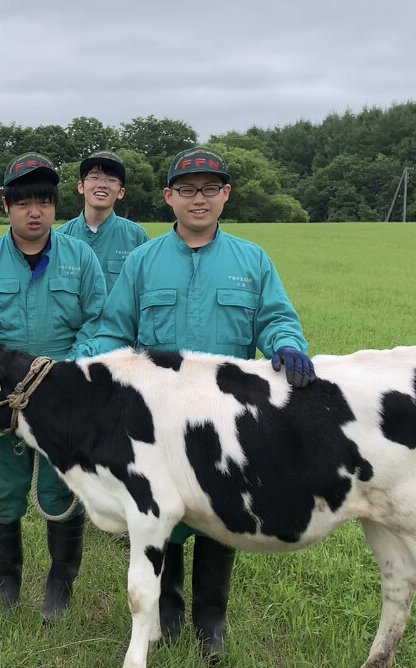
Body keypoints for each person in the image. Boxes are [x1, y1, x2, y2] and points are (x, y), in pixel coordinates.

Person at [80, 146, 315, 659]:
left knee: (222, 515)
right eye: (187, 189)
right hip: (158, 419)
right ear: (169, 197)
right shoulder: (143, 262)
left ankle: (212, 620)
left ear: (226, 194)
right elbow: (114, 329)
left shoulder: (251, 260)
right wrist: (76, 369)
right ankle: (168, 608)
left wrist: (285, 342)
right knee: (164, 513)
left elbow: (274, 317)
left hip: (224, 420)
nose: (199, 198)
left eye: (210, 188)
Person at [0, 152, 106, 621]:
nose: (34, 211)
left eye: (43, 201)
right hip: (2, 399)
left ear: (55, 207)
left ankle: (60, 586)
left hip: (64, 399)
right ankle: (6, 583)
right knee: (0, 490)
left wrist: (63, 373)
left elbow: (99, 320)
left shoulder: (80, 258)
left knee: (64, 490)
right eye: (24, 202)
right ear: (7, 205)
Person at [56, 150, 149, 293]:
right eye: (94, 177)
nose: (102, 184)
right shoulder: (60, 237)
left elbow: (146, 288)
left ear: (121, 192)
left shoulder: (136, 236)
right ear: (81, 186)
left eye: (111, 179)